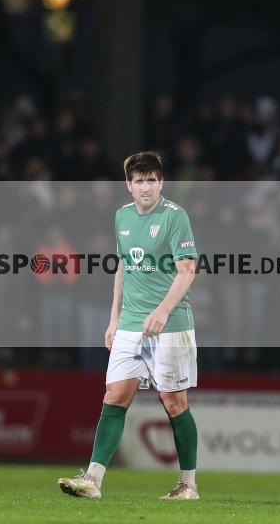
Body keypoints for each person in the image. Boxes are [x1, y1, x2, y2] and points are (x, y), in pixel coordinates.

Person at [58, 152, 200, 500]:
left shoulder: (174, 216)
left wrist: (163, 311)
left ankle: (188, 485)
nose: (145, 187)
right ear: (128, 185)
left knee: (174, 402)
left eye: (151, 180)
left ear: (161, 183)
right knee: (115, 396)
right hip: (130, 326)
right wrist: (114, 319)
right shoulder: (121, 216)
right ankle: (93, 479)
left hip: (171, 324)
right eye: (139, 181)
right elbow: (122, 267)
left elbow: (187, 270)